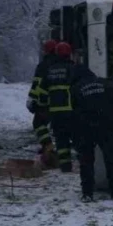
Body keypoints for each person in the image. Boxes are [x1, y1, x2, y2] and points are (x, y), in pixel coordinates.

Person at [71, 65, 113, 201]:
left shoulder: (76, 88)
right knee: (111, 159)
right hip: (105, 126)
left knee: (86, 161)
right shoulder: (106, 84)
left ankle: (87, 193)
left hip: (86, 127)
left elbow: (74, 111)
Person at [43, 43, 77, 172]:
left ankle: (65, 166)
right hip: (71, 110)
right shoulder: (73, 68)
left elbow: (43, 90)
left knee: (61, 139)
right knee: (77, 137)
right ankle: (85, 162)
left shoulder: (50, 70)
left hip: (55, 112)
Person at [28, 39, 58, 165]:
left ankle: (47, 145)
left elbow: (37, 84)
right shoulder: (63, 64)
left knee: (38, 123)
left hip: (45, 102)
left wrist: (32, 99)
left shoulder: (43, 65)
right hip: (62, 102)